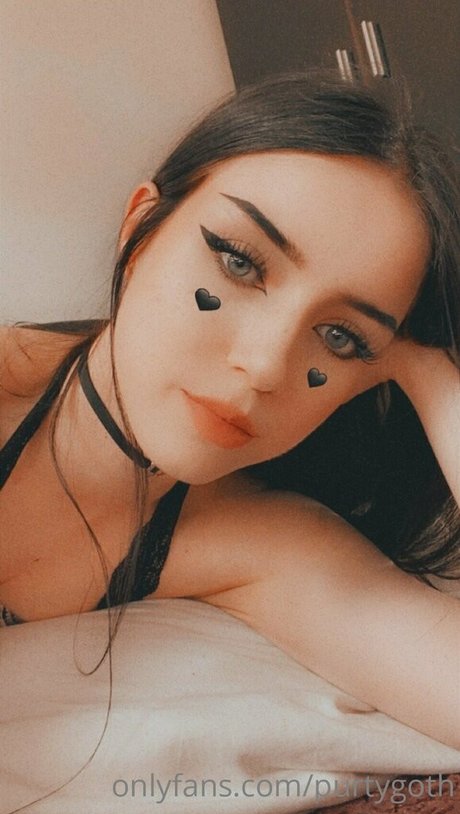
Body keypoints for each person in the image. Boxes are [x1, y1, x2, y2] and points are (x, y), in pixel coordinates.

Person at [1, 69, 459, 767]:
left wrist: (433, 373)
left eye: (341, 338)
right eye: (240, 264)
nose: (268, 365)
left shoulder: (261, 542)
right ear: (140, 229)